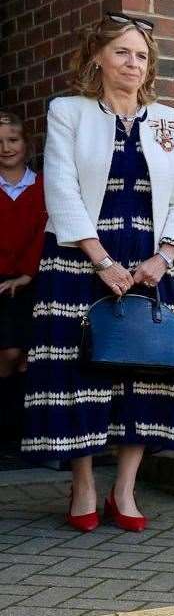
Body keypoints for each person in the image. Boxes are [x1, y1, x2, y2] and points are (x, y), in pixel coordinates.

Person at [22, 15, 174, 532]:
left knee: (142, 371)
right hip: (80, 258)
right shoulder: (68, 112)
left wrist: (162, 257)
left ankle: (125, 489)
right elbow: (61, 187)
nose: (133, 64)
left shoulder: (171, 121)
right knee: (78, 373)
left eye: (141, 56)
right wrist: (101, 260)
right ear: (97, 56)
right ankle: (83, 485)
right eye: (122, 53)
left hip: (148, 264)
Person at [0, 111, 44, 449]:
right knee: (9, 353)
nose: (5, 147)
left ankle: (27, 437)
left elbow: (47, 232)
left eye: (12, 140)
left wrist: (29, 272)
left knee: (31, 356)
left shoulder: (41, 186)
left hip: (37, 279)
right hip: (1, 283)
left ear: (26, 144)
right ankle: (7, 430)